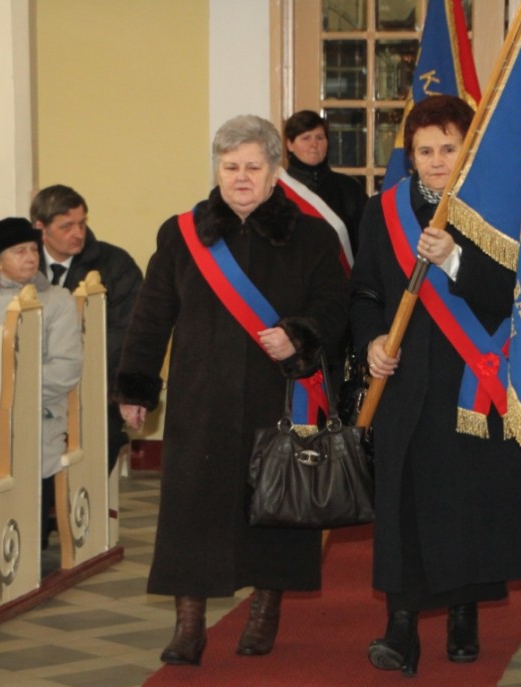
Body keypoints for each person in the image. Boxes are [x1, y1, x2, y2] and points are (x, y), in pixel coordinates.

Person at [114, 114, 348, 666]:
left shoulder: (312, 236)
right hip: (201, 398)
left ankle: (265, 609)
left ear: (275, 172)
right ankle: (189, 625)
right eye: (230, 166)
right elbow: (151, 315)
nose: (241, 177)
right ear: (217, 170)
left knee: (274, 508)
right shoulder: (182, 234)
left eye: (253, 167)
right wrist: (136, 387)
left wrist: (299, 335)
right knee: (191, 512)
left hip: (279, 396)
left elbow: (335, 308)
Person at [349, 95, 521, 677]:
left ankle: (463, 612)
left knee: (466, 506)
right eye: (424, 150)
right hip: (406, 387)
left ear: (468, 150)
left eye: (448, 148)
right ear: (409, 155)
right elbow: (364, 292)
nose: (436, 161)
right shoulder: (382, 211)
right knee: (404, 507)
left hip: (471, 386)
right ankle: (401, 627)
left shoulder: (495, 209)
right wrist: (372, 342)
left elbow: (517, 296)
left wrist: (457, 260)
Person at [0, 218, 83, 584]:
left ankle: (22, 543)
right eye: (19, 251)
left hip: (38, 411)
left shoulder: (58, 300)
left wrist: (12, 394)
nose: (31, 257)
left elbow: (66, 369)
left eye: (34, 249)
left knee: (27, 445)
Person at [31, 185, 143, 474]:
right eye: (66, 226)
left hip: (96, 383)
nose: (78, 233)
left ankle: (79, 500)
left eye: (82, 224)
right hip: (36, 385)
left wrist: (77, 370)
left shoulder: (115, 264)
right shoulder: (22, 264)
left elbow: (126, 331)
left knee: (101, 436)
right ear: (40, 228)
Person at [283, 110, 367, 255]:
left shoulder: (350, 189)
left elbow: (367, 243)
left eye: (320, 137)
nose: (314, 144)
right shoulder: (277, 189)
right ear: (290, 144)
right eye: (306, 138)